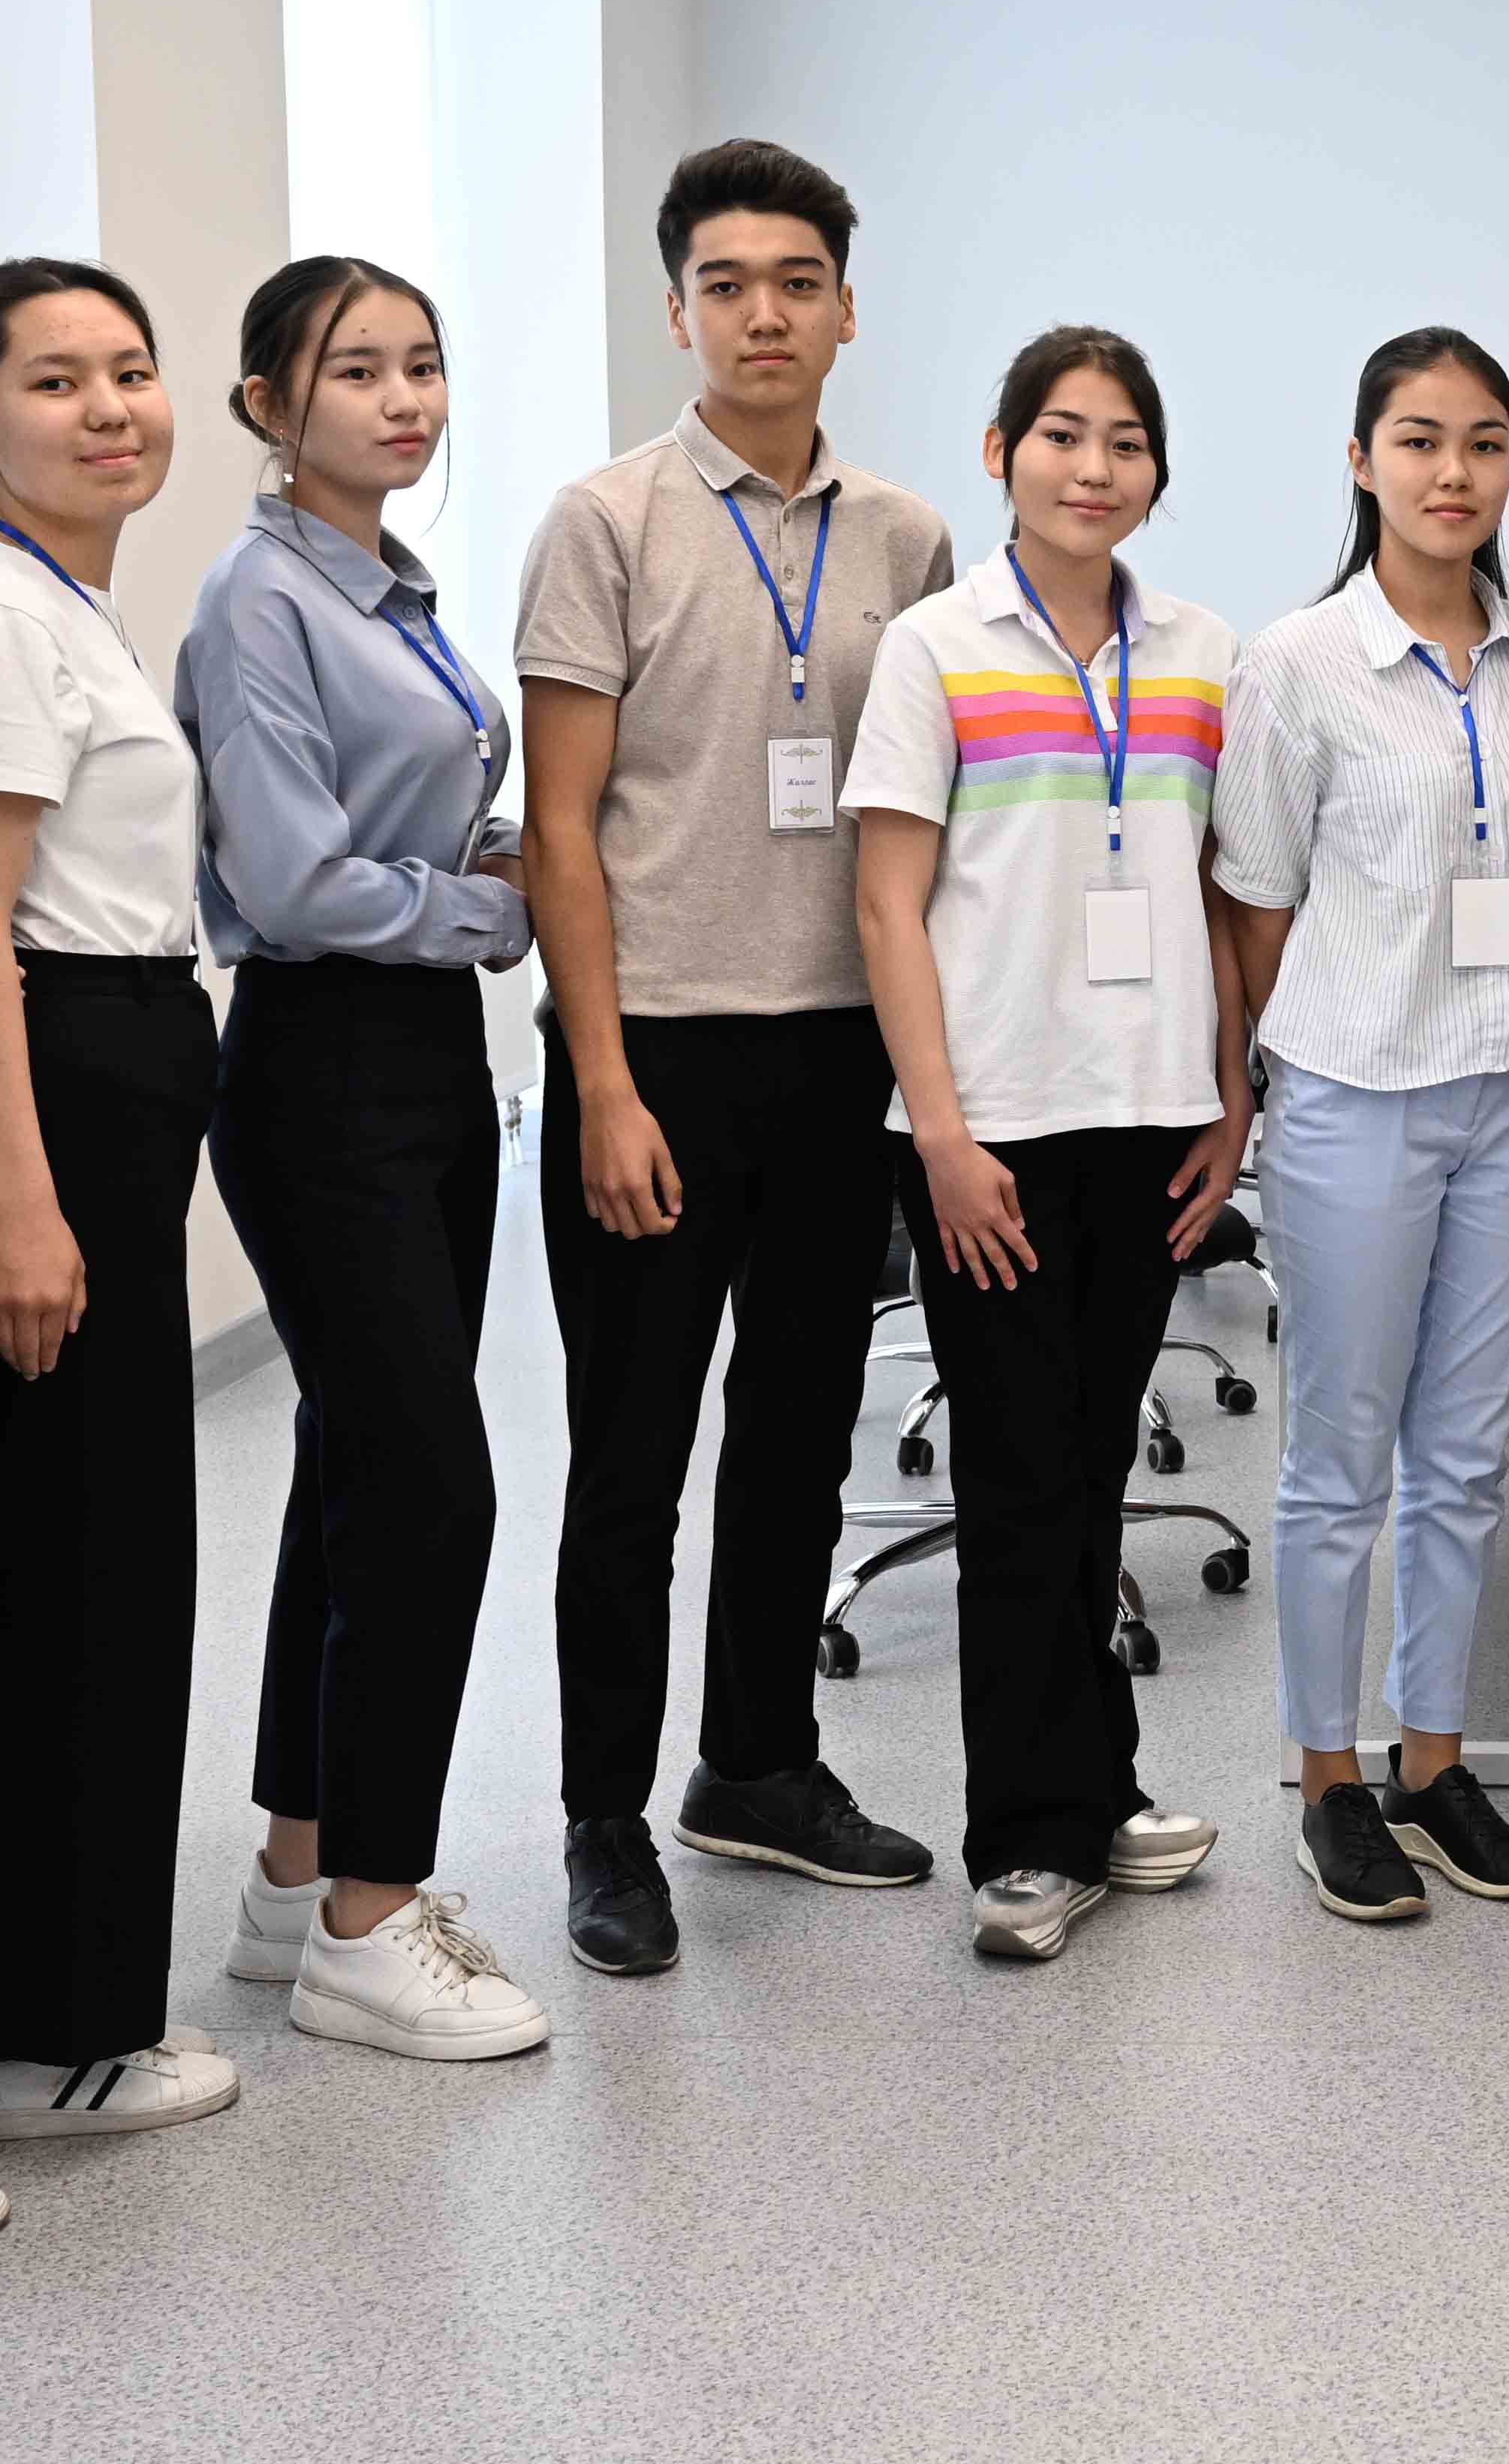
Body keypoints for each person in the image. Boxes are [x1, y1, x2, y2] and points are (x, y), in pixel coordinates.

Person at [516, 140, 960, 1975]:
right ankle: (602, 1818)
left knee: (793, 1438)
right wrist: (603, 1081)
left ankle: (757, 1763)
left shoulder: (907, 539)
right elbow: (557, 826)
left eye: (795, 281)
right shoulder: (604, 521)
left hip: (834, 1058)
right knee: (629, 1462)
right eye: (725, 283)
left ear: (846, 309)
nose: (761, 312)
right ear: (677, 308)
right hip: (654, 1060)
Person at [183, 256, 553, 2063]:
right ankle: (369, 1921)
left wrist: (500, 850)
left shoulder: (391, 588)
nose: (404, 399)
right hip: (324, 1056)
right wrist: (493, 907)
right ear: (269, 401)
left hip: (418, 1059)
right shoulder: (260, 598)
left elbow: (391, 825)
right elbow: (289, 880)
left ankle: (294, 1872)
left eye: (422, 365)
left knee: (353, 1463)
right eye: (356, 371)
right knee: (428, 1489)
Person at [848, 325, 1243, 1965]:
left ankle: (1098, 1789)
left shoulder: (1203, 653)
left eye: (1126, 440)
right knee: (1018, 1482)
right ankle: (1021, 1838)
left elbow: (1216, 888)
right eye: (1064, 434)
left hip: (1148, 1118)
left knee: (1087, 1472)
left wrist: (1230, 1096)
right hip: (992, 1128)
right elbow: (886, 901)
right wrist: (938, 1133)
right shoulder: (933, 647)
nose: (1095, 467)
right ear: (1000, 449)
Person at [0, 256, 236, 2143]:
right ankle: (33, 2038)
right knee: (80, 1570)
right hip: (59, 1099)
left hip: (113, 1071)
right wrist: (22, 1211)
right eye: (54, 381)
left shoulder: (68, 606)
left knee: (114, 1553)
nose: (109, 408)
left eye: (130, 369)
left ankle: (66, 2002)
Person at [1217, 327, 1509, 1925]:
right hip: (1359, 1092)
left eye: (1483, 442)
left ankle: (1433, 1761)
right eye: (1420, 440)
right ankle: (1326, 1777)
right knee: (1337, 1456)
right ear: (1362, 460)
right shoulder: (1296, 664)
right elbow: (1255, 900)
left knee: (1467, 1453)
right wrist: (1268, 1082)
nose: (1453, 471)